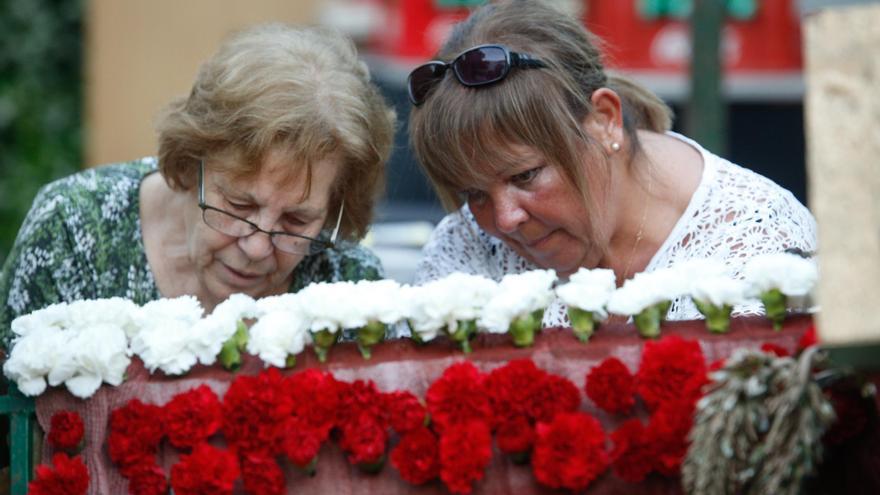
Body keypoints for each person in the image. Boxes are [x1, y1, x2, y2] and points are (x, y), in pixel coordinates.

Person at [408, 0, 815, 326]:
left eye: (525, 175)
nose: (505, 219)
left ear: (604, 120)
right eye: (474, 193)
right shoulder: (469, 248)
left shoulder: (762, 254)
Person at [0, 23, 396, 347]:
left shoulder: (349, 290)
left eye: (296, 220)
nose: (257, 248)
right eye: (238, 205)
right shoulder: (71, 231)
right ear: (190, 165)